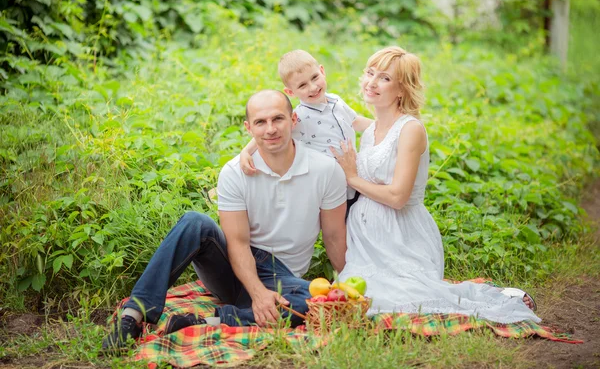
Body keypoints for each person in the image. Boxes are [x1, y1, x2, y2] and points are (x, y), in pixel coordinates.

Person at [102, 90, 348, 350]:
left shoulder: (326, 170)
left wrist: (348, 286)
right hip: (233, 267)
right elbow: (238, 244)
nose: (271, 129)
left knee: (321, 302)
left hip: (282, 277)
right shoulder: (234, 173)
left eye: (278, 119)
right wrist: (257, 294)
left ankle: (204, 321)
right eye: (260, 122)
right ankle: (132, 319)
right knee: (194, 222)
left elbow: (333, 237)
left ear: (293, 119)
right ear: (248, 128)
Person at [331, 46, 540, 323]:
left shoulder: (411, 130)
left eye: (384, 78)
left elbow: (397, 197)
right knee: (352, 299)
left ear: (402, 89)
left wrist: (352, 177)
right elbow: (329, 114)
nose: (371, 82)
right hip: (366, 243)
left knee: (392, 301)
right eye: (369, 73)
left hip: (400, 236)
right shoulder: (370, 130)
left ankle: (503, 297)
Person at [240, 50, 373, 212]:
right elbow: (272, 132)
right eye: (302, 85)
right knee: (342, 221)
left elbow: (356, 121)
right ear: (290, 92)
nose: (313, 87)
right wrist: (246, 152)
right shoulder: (299, 117)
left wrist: (389, 126)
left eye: (315, 77)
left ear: (322, 72)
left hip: (354, 172)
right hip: (331, 184)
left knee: (362, 214)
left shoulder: (336, 101)